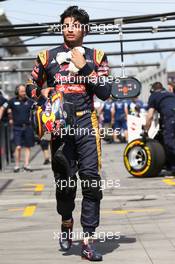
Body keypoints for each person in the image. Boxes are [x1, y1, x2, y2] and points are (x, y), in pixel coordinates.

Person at [26, 6, 111, 261]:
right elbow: (30, 86)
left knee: (91, 181)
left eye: (75, 24)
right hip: (60, 128)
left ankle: (87, 239)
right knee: (64, 183)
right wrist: (41, 94)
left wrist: (84, 67)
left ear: (84, 28)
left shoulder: (97, 56)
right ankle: (66, 221)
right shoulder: (46, 56)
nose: (69, 28)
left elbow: (106, 92)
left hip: (87, 124)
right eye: (65, 24)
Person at [144, 82, 175, 174]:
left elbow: (149, 116)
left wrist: (146, 130)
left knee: (169, 143)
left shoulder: (153, 96)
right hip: (170, 116)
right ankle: (171, 167)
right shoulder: (171, 94)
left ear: (152, 90)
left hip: (171, 117)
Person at [8, 84, 35, 172]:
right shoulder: (12, 101)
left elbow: (37, 109)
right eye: (22, 91)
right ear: (17, 92)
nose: (24, 93)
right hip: (17, 127)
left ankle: (26, 164)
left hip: (28, 127)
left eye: (24, 91)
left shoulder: (30, 101)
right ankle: (17, 165)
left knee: (27, 146)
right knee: (18, 147)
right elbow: (8, 111)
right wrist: (10, 119)